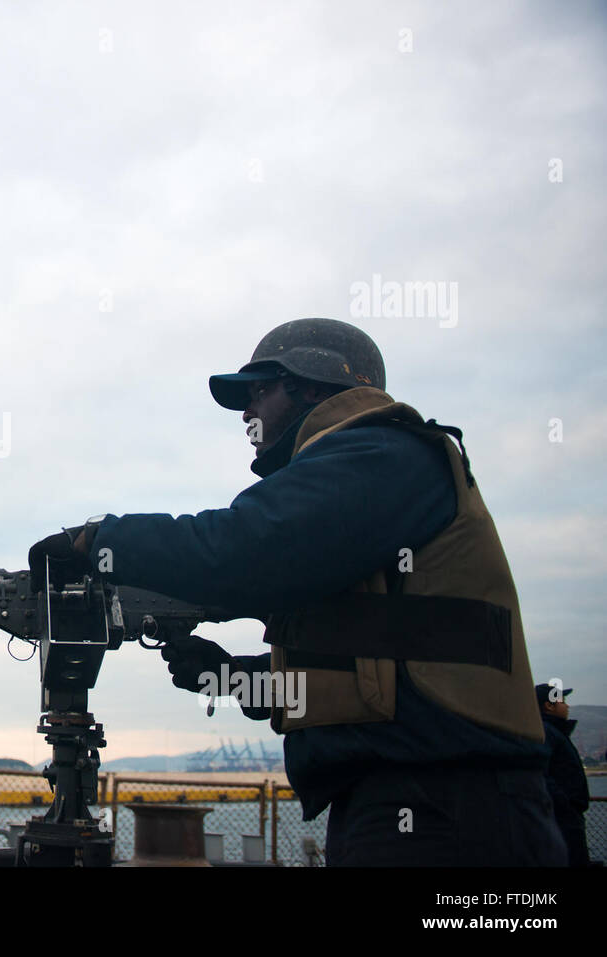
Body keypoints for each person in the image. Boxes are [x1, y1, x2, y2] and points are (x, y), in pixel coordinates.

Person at [29, 318, 565, 866]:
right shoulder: (357, 480)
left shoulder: (383, 454)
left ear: (312, 386)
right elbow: (369, 669)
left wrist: (99, 539)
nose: (246, 413)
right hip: (414, 796)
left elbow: (245, 551)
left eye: (258, 391)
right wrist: (237, 677)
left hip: (450, 806)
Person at [537, 682, 591, 866]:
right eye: (562, 701)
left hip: (564, 816)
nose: (566, 705)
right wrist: (565, 806)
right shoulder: (547, 732)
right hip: (563, 819)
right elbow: (542, 774)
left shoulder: (552, 732)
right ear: (549, 705)